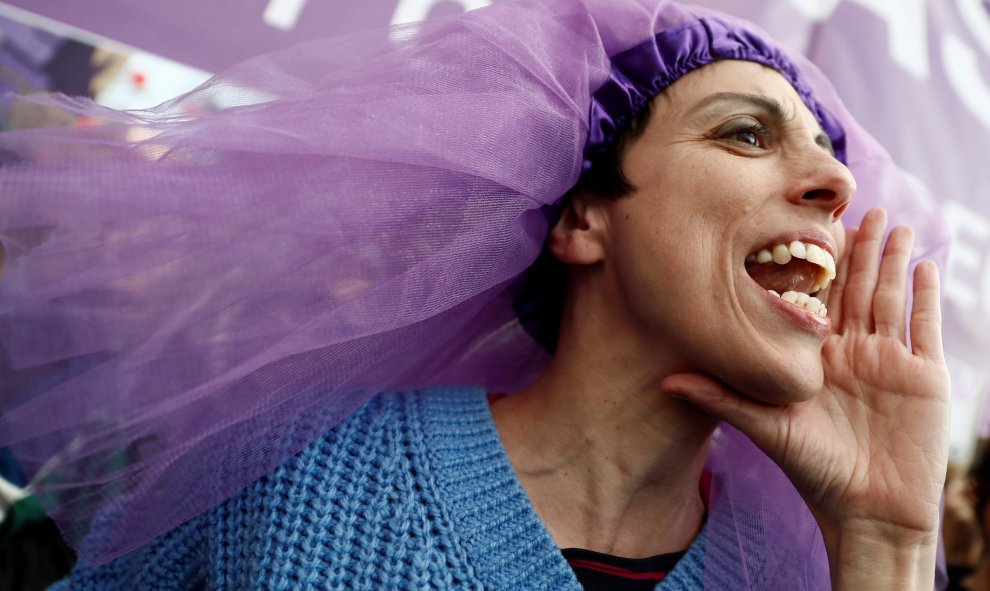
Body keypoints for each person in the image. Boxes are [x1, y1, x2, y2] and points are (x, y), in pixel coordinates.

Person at [0, 0, 950, 589]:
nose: (835, 188)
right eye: (745, 134)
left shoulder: (812, 569)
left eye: (832, 161)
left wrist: (885, 545)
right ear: (582, 219)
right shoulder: (291, 473)